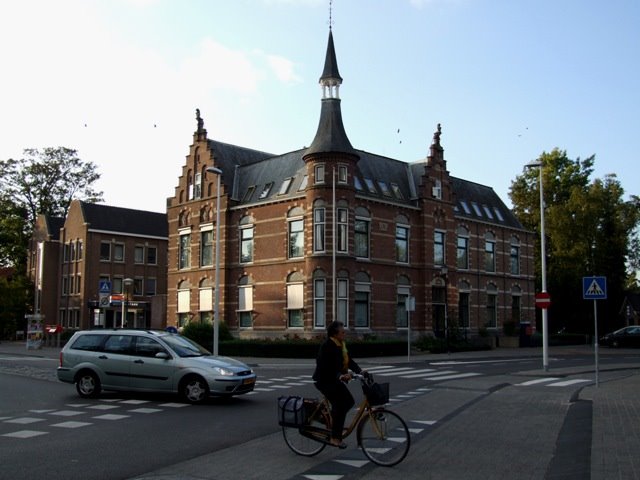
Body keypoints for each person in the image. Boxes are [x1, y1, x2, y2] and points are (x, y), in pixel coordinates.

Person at [312, 321, 364, 448]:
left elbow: (349, 361)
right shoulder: (327, 345)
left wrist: (360, 371)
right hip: (324, 381)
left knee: (349, 402)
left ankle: (333, 421)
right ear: (335, 334)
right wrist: (339, 375)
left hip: (334, 380)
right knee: (340, 405)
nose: (344, 333)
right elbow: (325, 366)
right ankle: (335, 437)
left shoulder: (341, 344)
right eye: (342, 332)